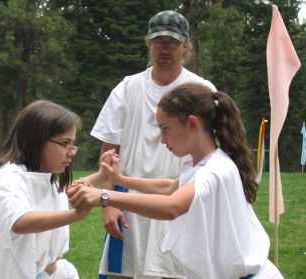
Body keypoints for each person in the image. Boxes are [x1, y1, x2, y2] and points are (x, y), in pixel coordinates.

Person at [69, 83, 284, 279]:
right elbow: (171, 187)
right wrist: (121, 179)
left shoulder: (214, 171)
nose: (162, 140)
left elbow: (172, 206)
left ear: (192, 123)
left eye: (165, 128)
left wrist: (104, 196)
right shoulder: (204, 163)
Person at [90, 10, 216, 279]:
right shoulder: (127, 88)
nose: (165, 49)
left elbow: (211, 153)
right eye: (159, 41)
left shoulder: (201, 90)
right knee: (122, 273)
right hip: (128, 200)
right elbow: (109, 153)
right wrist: (109, 203)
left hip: (181, 198)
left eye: (172, 42)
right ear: (149, 43)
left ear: (185, 46)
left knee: (176, 272)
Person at [0, 100, 94, 279]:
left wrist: (104, 175)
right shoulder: (8, 177)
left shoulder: (43, 176)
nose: (71, 152)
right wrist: (75, 215)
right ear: (37, 139)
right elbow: (20, 221)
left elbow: (53, 195)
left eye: (72, 144)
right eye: (64, 143)